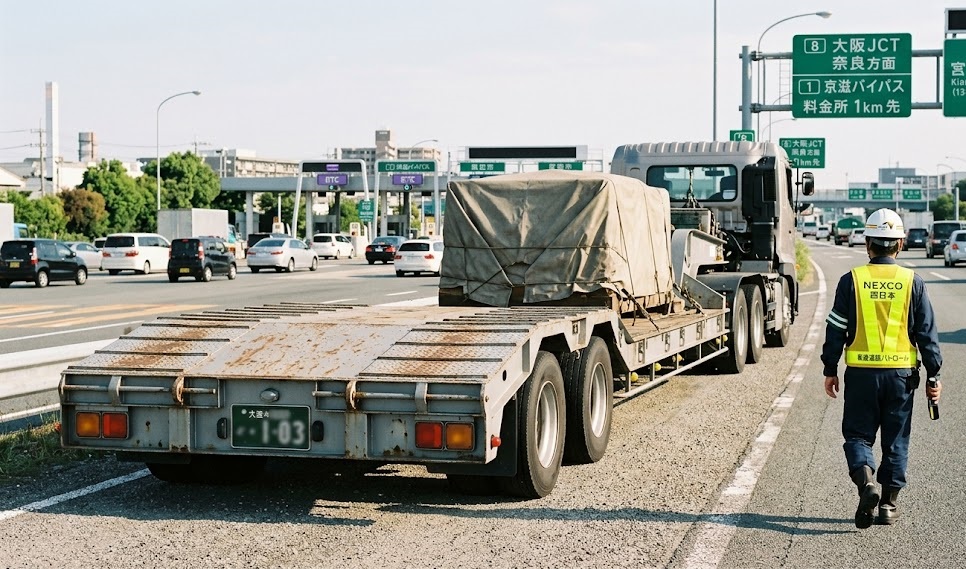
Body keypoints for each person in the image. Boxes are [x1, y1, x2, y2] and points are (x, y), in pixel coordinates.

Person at [821, 208, 943, 529]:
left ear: (867, 244)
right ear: (900, 244)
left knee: (858, 436)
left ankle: (866, 485)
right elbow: (926, 334)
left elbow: (835, 329)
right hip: (902, 378)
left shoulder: (852, 281)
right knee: (896, 441)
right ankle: (888, 505)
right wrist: (934, 375)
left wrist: (829, 368)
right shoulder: (912, 282)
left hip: (861, 376)